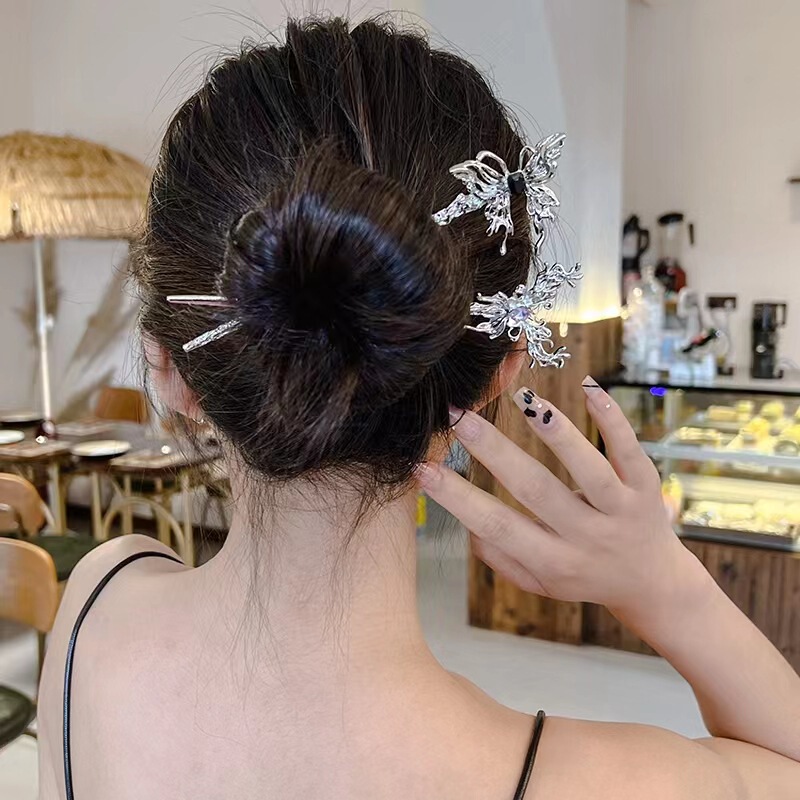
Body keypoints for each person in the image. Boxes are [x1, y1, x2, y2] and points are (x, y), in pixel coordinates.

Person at [38, 17, 799, 800]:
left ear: (167, 366)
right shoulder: (604, 785)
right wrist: (665, 586)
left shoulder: (93, 613)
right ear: (498, 371)